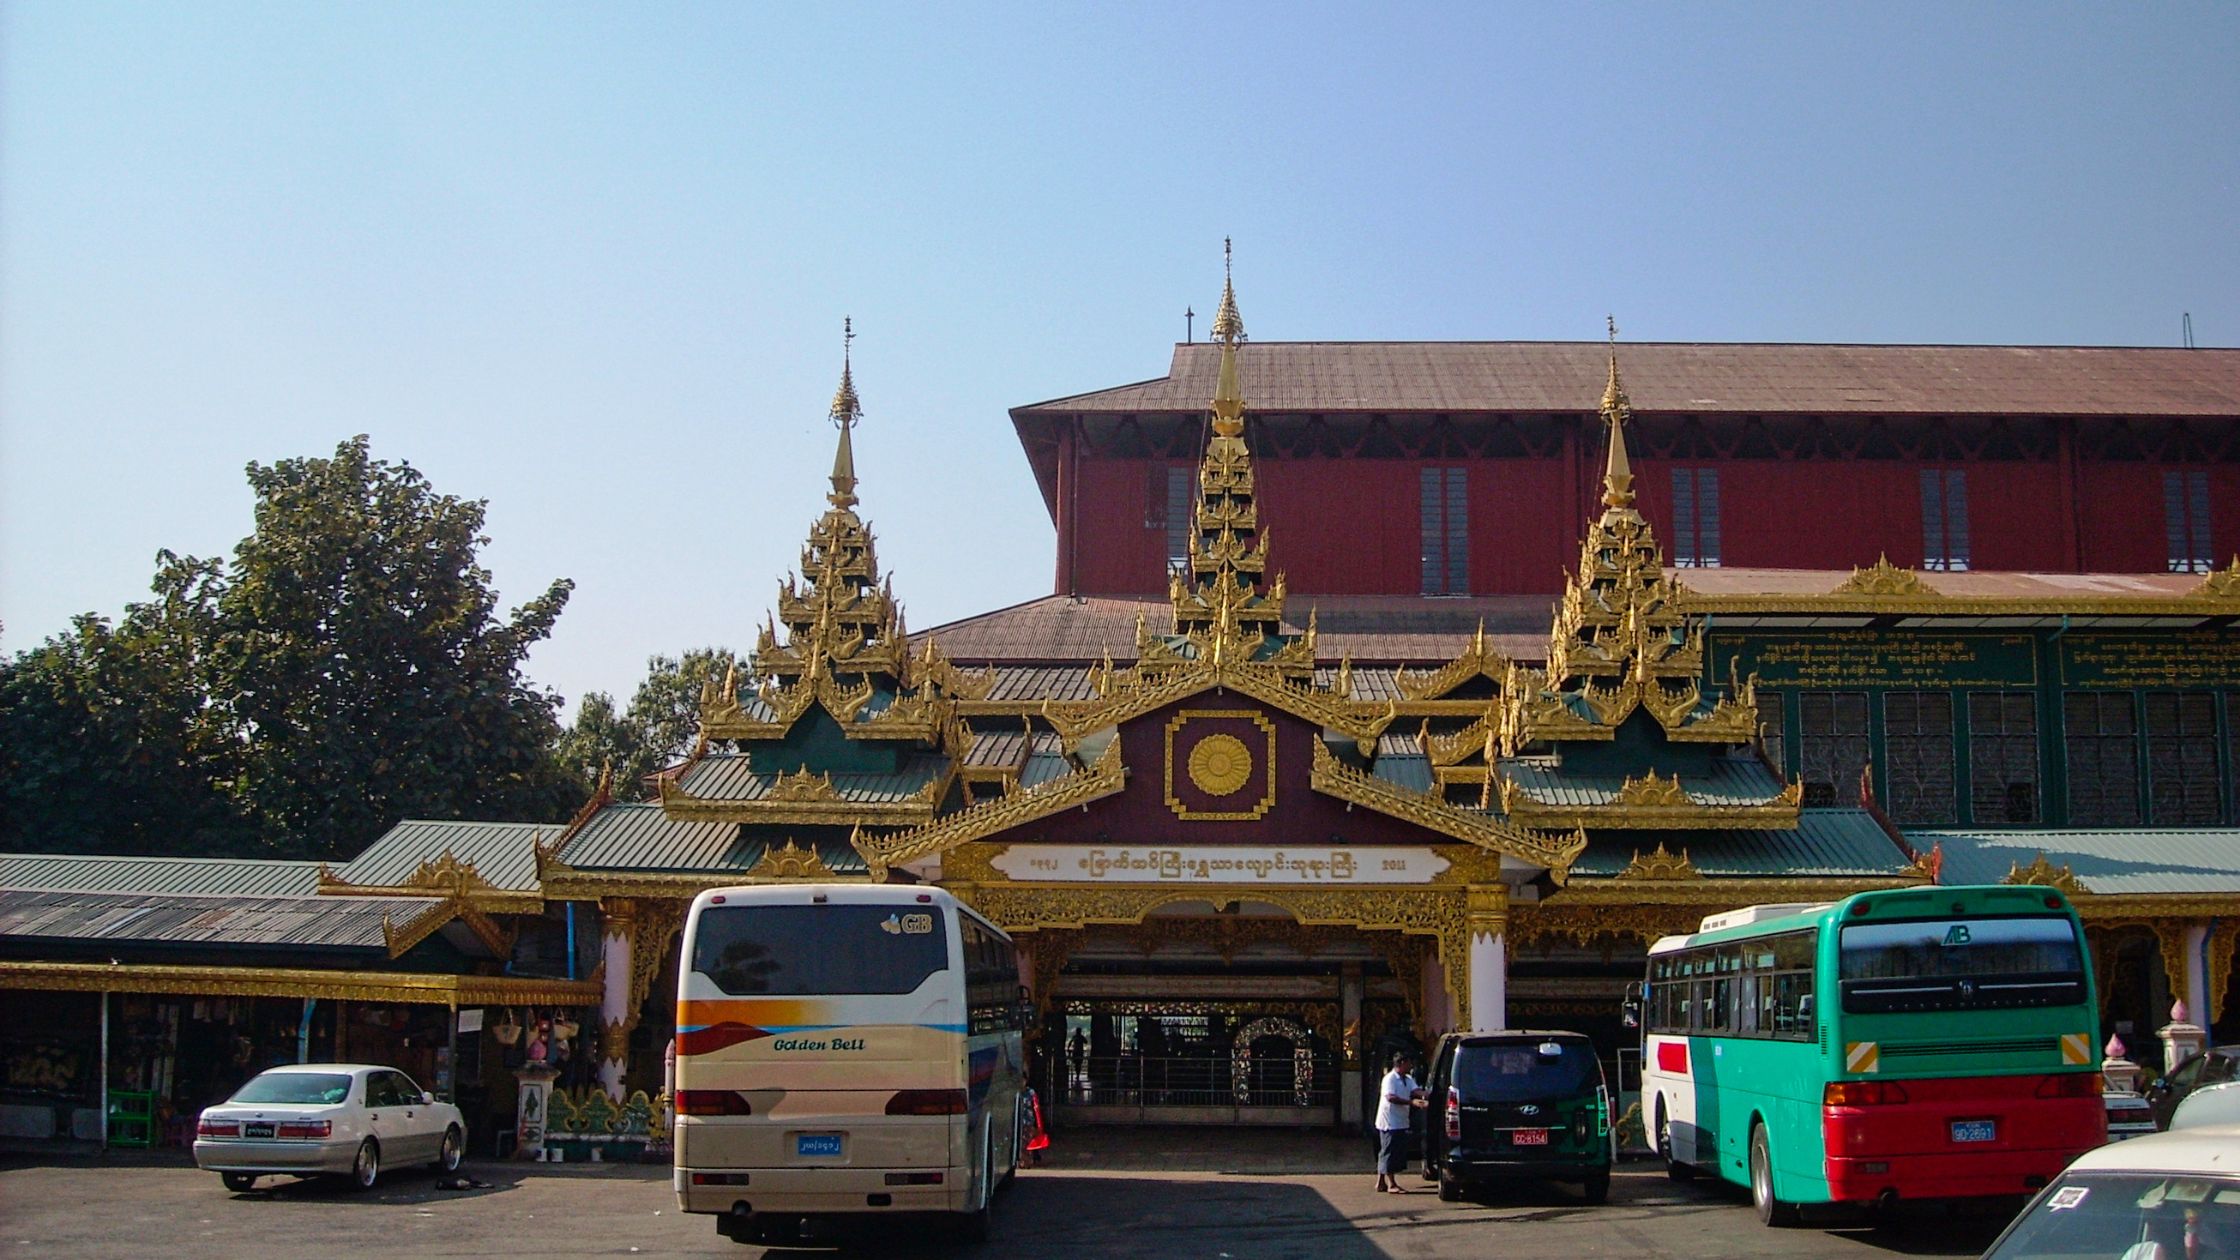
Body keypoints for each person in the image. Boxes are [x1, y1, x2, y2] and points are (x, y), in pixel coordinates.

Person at [1374, 1050, 1428, 1194]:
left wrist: (1427, 1095)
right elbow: (1391, 1097)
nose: (1411, 1066)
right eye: (1409, 1063)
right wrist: (1411, 1102)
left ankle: (1381, 1181)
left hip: (1401, 1120)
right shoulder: (1390, 1079)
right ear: (1402, 1063)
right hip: (1389, 1121)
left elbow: (1416, 1090)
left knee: (1388, 1151)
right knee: (1389, 1151)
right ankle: (1391, 1183)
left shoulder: (1407, 1079)